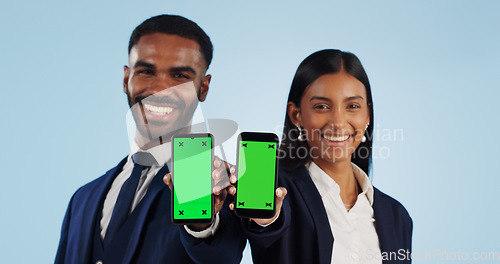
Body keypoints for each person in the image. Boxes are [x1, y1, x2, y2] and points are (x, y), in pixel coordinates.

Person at [55, 14, 245, 264]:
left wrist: (201, 224)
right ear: (126, 79)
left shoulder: (219, 184)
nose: (159, 90)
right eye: (146, 71)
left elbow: (220, 256)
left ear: (203, 87)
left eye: (179, 76)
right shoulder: (82, 199)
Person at [235, 49, 412, 264]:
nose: (338, 121)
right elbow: (264, 231)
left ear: (367, 115)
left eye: (352, 106)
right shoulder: (275, 189)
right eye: (321, 106)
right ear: (296, 115)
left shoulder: (396, 216)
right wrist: (266, 221)